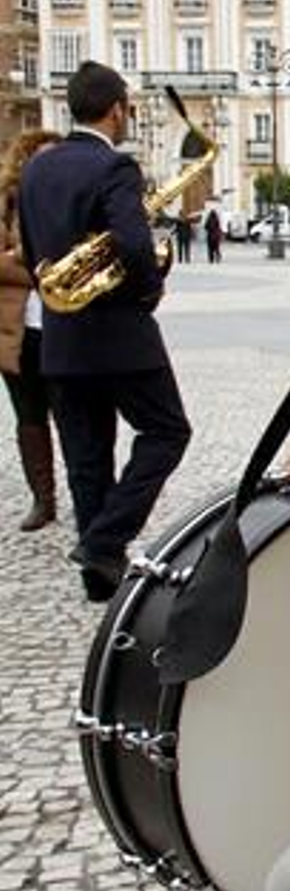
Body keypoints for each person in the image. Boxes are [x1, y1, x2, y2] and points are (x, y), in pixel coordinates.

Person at [18, 61, 192, 602]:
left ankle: (99, 571)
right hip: (121, 336)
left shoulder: (35, 171)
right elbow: (136, 246)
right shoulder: (115, 168)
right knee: (167, 431)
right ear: (116, 109)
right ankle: (106, 539)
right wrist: (147, 289)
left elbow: (31, 254)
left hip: (61, 337)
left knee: (86, 454)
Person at [0, 129, 62, 532]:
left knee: (75, 416)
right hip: (17, 329)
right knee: (30, 416)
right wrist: (43, 273)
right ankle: (43, 498)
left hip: (64, 326)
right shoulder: (7, 204)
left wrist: (19, 261)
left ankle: (90, 493)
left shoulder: (66, 202)